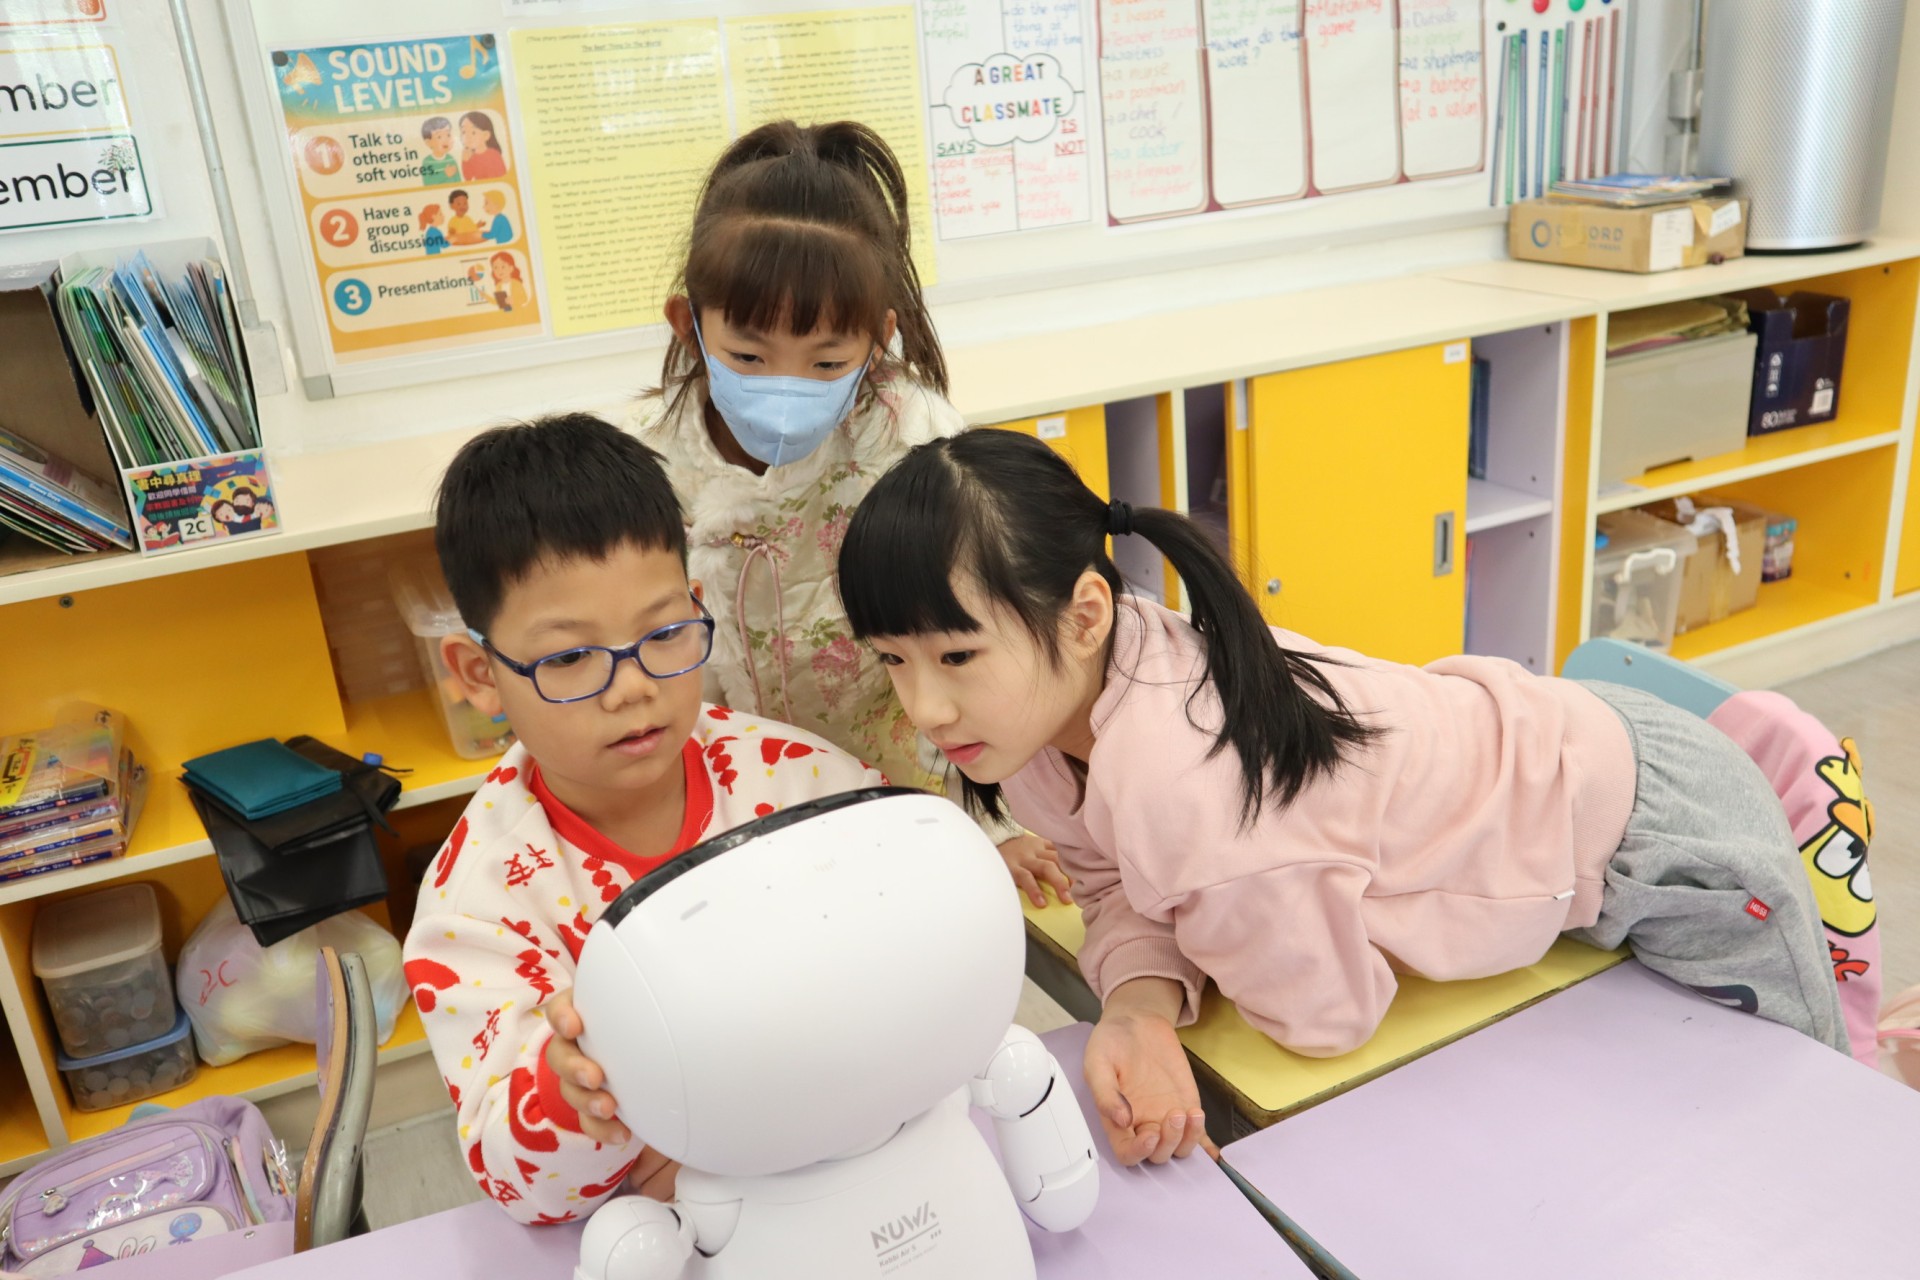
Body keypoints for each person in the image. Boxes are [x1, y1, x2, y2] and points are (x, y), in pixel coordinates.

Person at [835, 428, 1848, 1168]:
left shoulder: (1185, 788)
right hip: (1557, 766)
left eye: (957, 655)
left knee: (1819, 1126)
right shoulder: (1052, 706)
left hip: (1665, 835)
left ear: (1085, 613)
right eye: (893, 659)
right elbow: (1114, 882)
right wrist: (1140, 1004)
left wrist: (1199, 929)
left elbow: (1325, 1016)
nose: (924, 706)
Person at [402, 414, 883, 1226]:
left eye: (662, 634)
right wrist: (571, 1098)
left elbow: (900, 961)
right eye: (568, 657)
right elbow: (522, 1189)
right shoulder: (475, 907)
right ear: (479, 674)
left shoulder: (802, 782)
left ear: (698, 606)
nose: (633, 687)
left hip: (854, 1166)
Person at [628, 118, 1067, 905]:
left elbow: (976, 640)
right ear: (687, 325)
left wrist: (993, 822)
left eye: (828, 361)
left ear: (878, 339)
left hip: (909, 785)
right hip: (734, 805)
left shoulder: (911, 439)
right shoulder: (649, 464)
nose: (787, 386)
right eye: (749, 356)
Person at [460, 110, 508, 179]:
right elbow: (468, 178)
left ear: (486, 135)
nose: (467, 136)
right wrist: (465, 162)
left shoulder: (494, 155)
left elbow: (502, 175)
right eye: (463, 132)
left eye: (473, 132)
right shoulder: (469, 157)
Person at [420, 117, 460, 185]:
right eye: (439, 137)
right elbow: (427, 183)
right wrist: (445, 174)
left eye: (448, 135)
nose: (446, 140)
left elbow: (458, 179)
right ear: (428, 142)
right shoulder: (427, 162)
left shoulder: (451, 159)